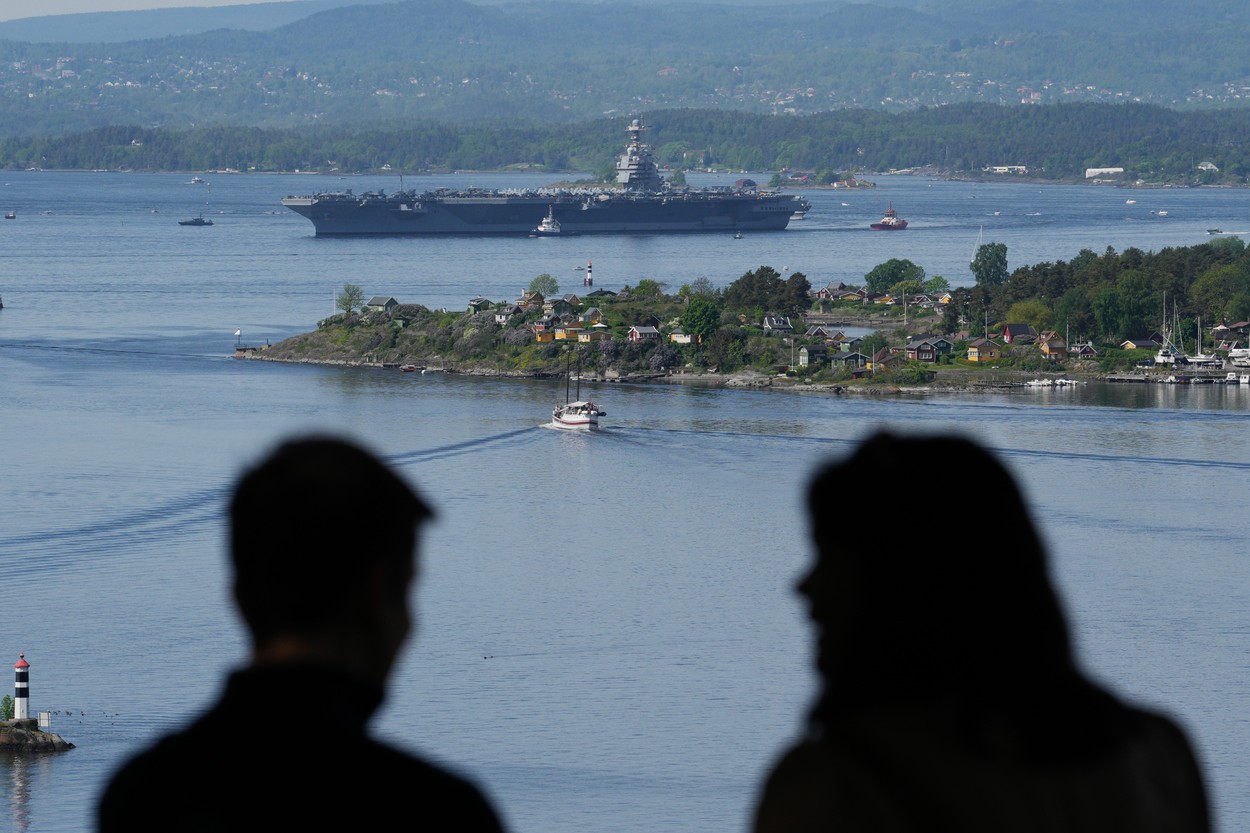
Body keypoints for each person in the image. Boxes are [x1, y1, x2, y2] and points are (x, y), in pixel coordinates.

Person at [753, 431, 1210, 833]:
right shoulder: (1158, 755)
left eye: (830, 557)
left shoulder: (829, 788)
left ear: (901, 584)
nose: (804, 586)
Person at [99, 436, 506, 832]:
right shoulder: (439, 810)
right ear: (376, 594)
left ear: (239, 600)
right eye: (408, 591)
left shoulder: (140, 795)